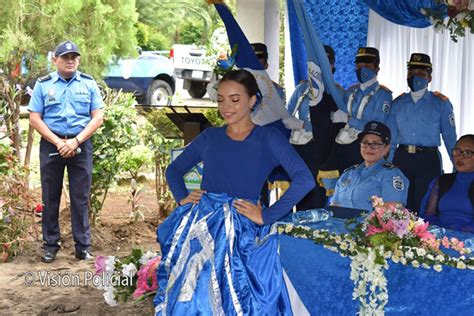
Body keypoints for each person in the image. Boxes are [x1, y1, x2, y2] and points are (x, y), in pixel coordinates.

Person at [154, 69, 315, 314]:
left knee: (237, 299)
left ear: (252, 101)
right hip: (202, 227)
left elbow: (305, 179)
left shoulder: (268, 138)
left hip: (241, 231)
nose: (226, 107)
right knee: (191, 300)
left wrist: (268, 215)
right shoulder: (210, 137)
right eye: (220, 100)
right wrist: (183, 199)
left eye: (235, 99)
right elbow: (174, 170)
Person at [28, 40, 104, 263]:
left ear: (78, 60)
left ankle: (83, 247)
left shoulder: (89, 84)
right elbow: (34, 118)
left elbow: (97, 117)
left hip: (81, 145)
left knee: (80, 198)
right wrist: (59, 142)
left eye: (74, 57)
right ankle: (50, 245)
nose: (70, 61)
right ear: (55, 60)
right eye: (65, 57)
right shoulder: (44, 85)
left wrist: (75, 141)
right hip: (52, 144)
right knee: (50, 197)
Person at [318, 47, 392, 198]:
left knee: (358, 193)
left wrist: (348, 120)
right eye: (359, 66)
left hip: (363, 147)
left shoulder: (383, 95)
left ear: (377, 68)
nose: (362, 69)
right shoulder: (351, 91)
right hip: (342, 144)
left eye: (367, 66)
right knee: (337, 191)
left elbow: (377, 125)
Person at [390, 53, 457, 214]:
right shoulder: (398, 103)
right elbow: (391, 138)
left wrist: (457, 164)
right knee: (400, 205)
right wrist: (388, 163)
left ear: (429, 77)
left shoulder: (441, 103)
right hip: (402, 157)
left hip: (428, 160)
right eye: (412, 73)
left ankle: (425, 239)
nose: (415, 77)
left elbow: (449, 137)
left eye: (421, 74)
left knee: (426, 205)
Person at [286, 45, 339, 209]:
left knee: (321, 196)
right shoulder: (302, 89)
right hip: (303, 149)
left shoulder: (337, 93)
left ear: (332, 66)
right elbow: (285, 116)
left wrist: (311, 125)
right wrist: (298, 124)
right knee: (302, 194)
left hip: (325, 149)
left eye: (326, 63)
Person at [331, 121, 408, 212]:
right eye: (365, 143)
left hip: (370, 226)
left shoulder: (391, 176)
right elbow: (334, 209)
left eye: (375, 144)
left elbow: (393, 214)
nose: (369, 148)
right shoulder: (347, 174)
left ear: (386, 148)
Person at [420, 135, 474, 232]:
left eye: (467, 153)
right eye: (457, 151)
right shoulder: (441, 181)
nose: (460, 157)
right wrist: (442, 232)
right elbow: (428, 214)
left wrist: (457, 233)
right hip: (440, 237)